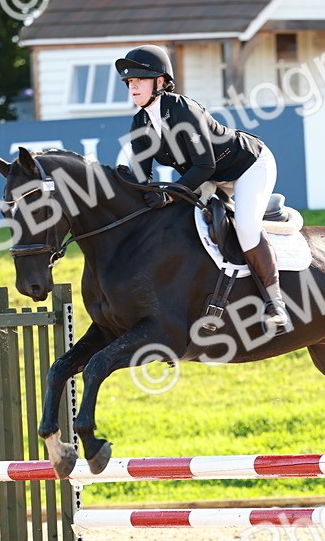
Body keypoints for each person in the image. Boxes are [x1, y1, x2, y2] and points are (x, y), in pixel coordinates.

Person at [115, 44, 291, 335]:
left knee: (246, 226)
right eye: (129, 82)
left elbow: (205, 165)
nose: (132, 87)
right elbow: (140, 177)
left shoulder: (182, 109)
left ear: (161, 82)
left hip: (248, 166)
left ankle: (276, 305)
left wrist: (169, 193)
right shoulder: (140, 123)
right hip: (209, 177)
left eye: (139, 80)